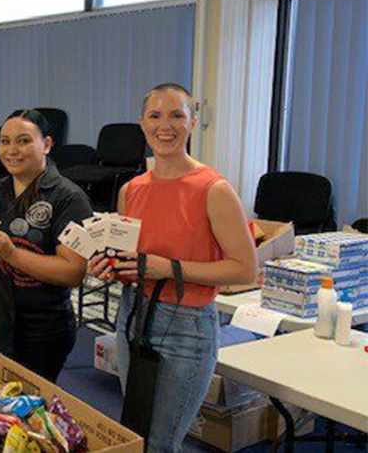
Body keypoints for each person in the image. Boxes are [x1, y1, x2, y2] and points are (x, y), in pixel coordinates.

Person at [88, 83, 257, 453]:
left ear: (193, 122)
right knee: (136, 433)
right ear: (142, 123)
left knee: (160, 443)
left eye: (177, 115)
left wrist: (170, 268)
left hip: (187, 325)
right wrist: (111, 267)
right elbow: (136, 260)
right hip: (133, 314)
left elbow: (245, 270)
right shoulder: (131, 189)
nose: (166, 125)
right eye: (155, 115)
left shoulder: (213, 188)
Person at [0, 109, 93, 382]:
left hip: (42, 326)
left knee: (29, 412)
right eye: (5, 141)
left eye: (24, 141)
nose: (12, 150)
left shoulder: (70, 198)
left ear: (47, 145)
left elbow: (72, 272)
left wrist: (12, 254)